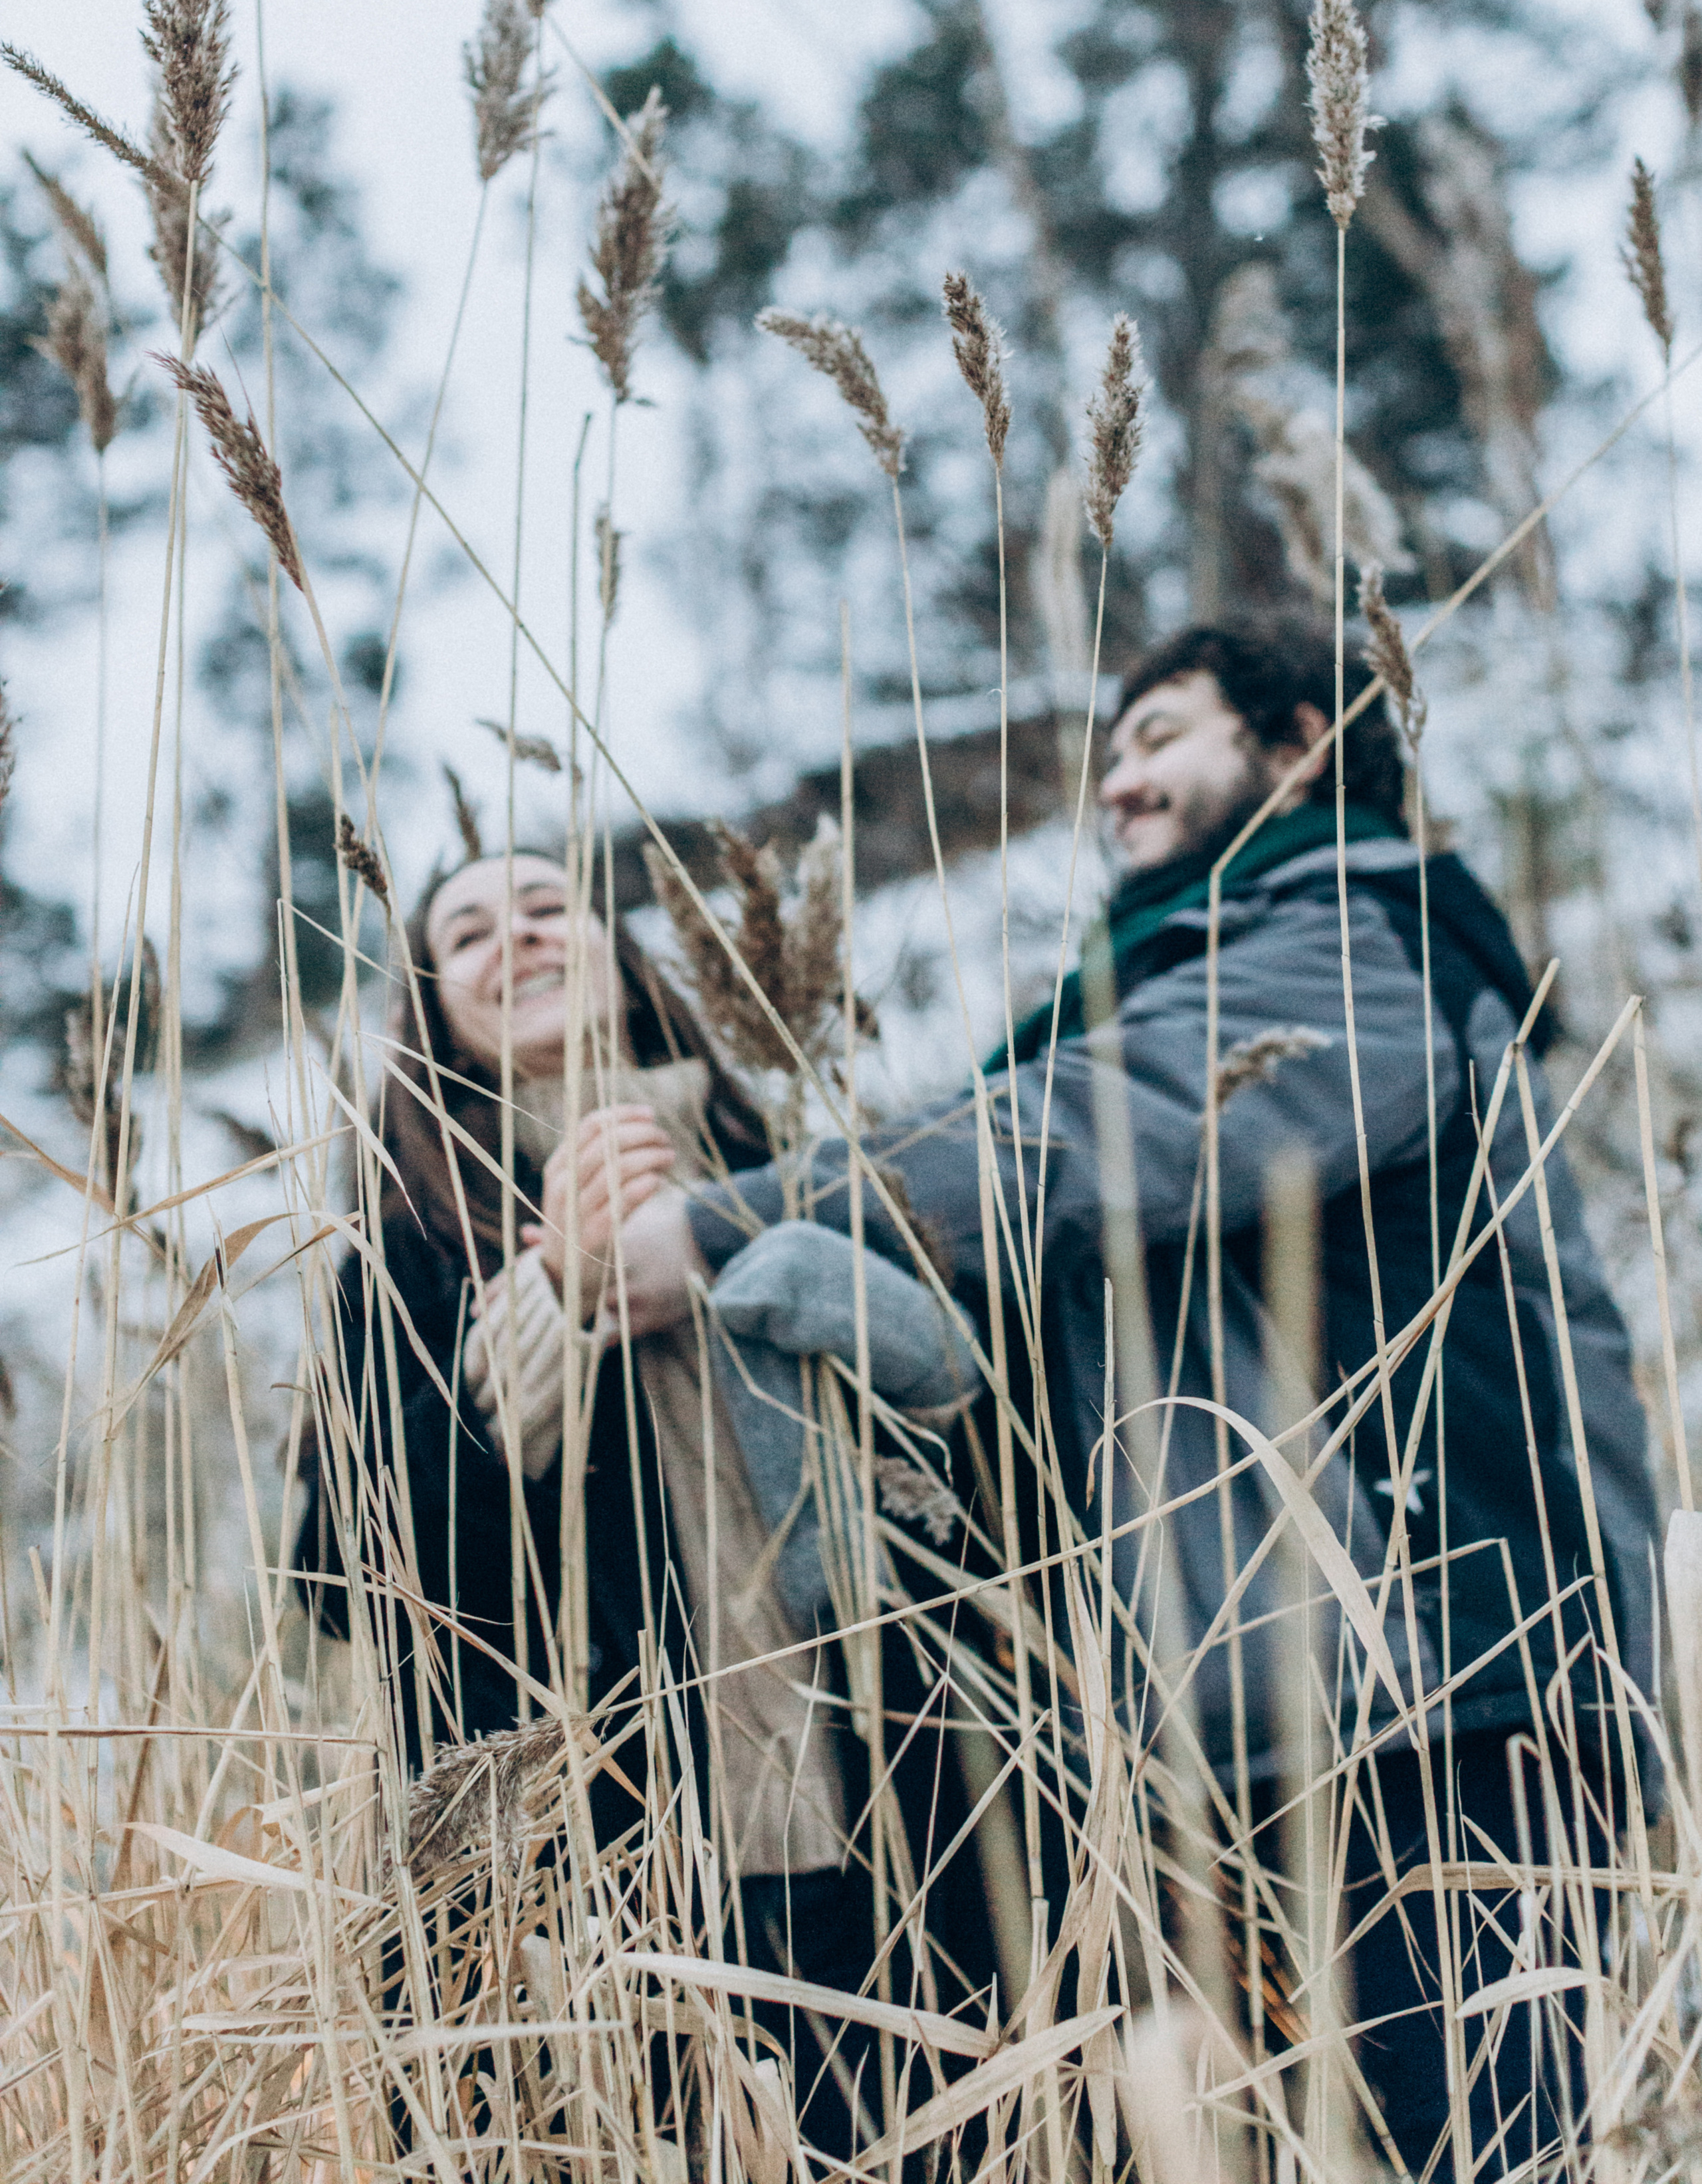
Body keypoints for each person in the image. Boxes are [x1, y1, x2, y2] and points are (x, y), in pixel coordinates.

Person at [590, 613, 1660, 2178]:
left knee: (1473, 2145)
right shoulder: (1177, 973)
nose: (1118, 782)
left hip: (1440, 1675)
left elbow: (1123, 1118)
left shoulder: (1358, 935)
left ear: (1296, 747)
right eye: (1109, 754)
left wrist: (728, 1222)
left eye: (1161, 736)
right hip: (1263, 1708)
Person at [295, 846, 993, 2158]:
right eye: (469, 931)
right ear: (431, 1003)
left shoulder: (792, 1171)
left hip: (894, 1807)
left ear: (620, 950)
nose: (521, 937)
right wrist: (552, 1309)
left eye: (549, 905)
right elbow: (348, 1579)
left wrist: (789, 1272)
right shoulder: (402, 1250)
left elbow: (965, 1470)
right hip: (599, 1871)